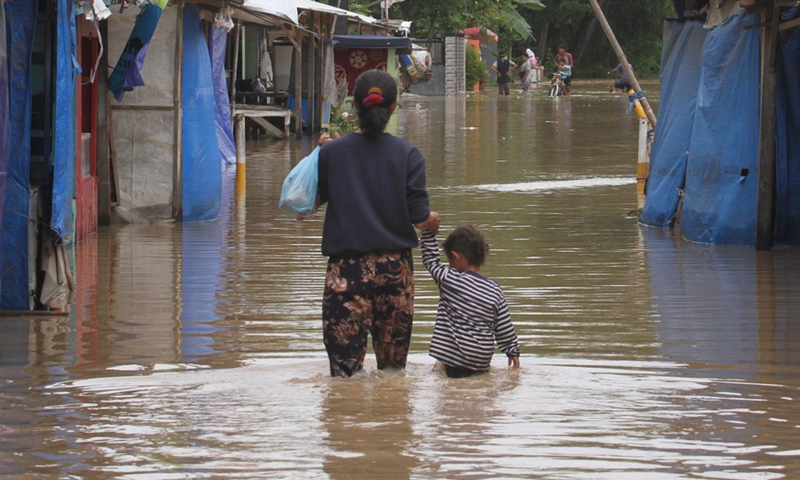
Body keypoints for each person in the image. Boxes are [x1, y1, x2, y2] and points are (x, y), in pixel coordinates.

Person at [314, 69, 440, 378]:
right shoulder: (409, 155)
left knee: (344, 377)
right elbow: (420, 219)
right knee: (393, 373)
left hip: (346, 271)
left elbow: (308, 203)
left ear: (355, 106)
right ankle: (392, 423)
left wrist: (320, 154)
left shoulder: (332, 153)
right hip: (395, 273)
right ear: (394, 106)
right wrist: (434, 221)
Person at [420, 225, 521, 378]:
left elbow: (431, 261)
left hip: (456, 360)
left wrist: (428, 230)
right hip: (481, 360)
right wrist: (512, 350)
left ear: (456, 256)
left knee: (451, 397)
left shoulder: (450, 279)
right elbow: (503, 325)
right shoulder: (494, 289)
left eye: (450, 261)